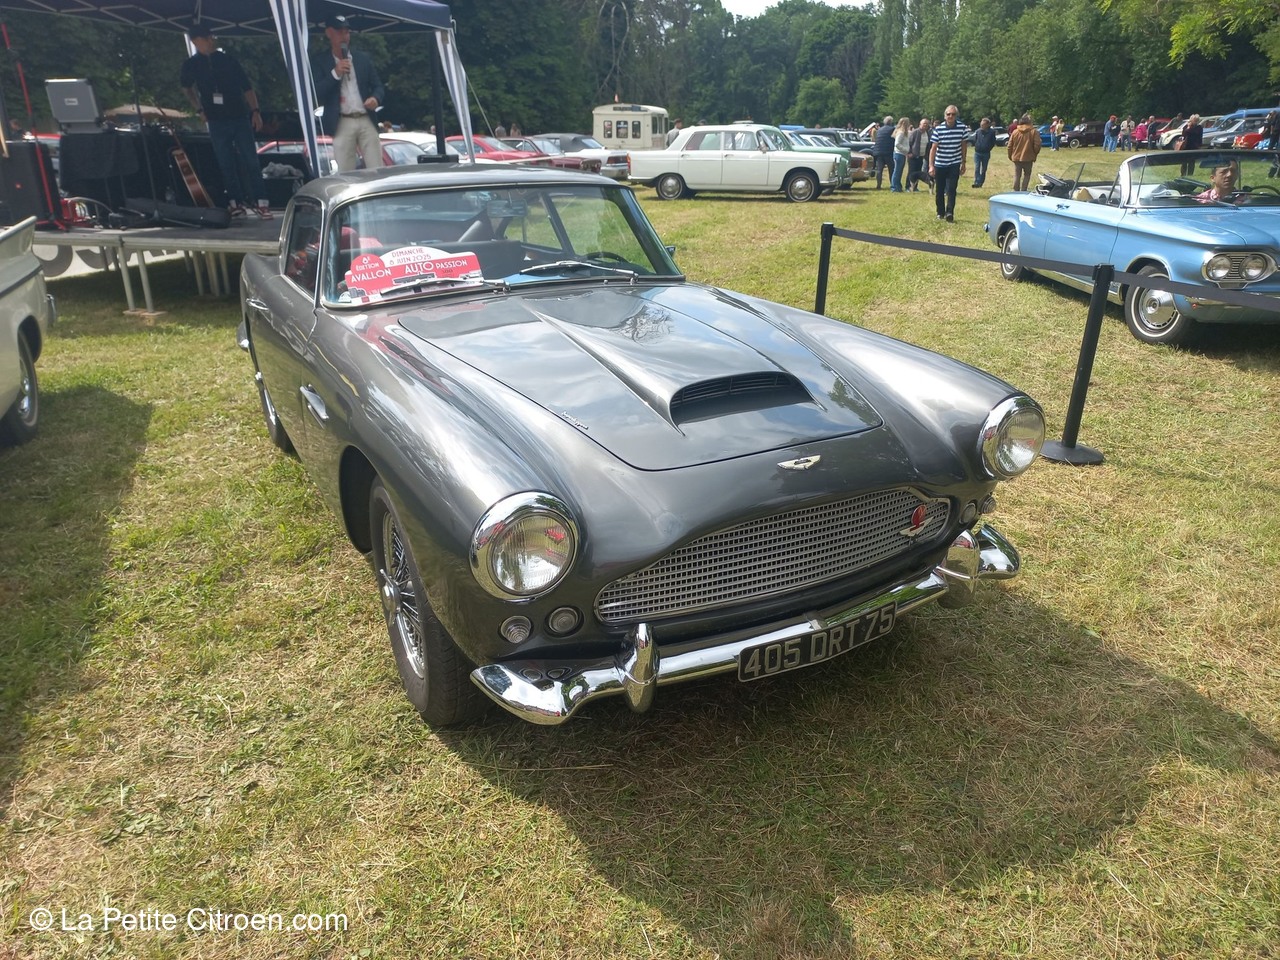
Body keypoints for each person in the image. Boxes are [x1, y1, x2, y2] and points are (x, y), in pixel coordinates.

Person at [180, 23, 272, 218]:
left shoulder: (228, 60)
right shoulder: (191, 65)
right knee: (225, 162)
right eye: (205, 38)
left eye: (210, 37)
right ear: (195, 41)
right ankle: (235, 202)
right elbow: (186, 87)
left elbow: (247, 87)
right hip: (216, 120)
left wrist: (255, 111)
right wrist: (199, 109)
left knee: (251, 160)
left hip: (239, 116)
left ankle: (261, 201)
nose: (210, 41)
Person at [311, 13, 386, 173]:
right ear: (329, 33)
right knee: (346, 172)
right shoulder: (320, 61)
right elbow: (316, 93)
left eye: (347, 32)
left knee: (377, 168)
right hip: (341, 121)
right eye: (339, 32)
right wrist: (335, 74)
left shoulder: (362, 59)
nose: (344, 36)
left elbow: (378, 86)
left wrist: (375, 98)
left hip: (365, 117)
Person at [928, 105, 968, 221]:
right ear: (945, 116)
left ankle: (949, 212)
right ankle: (940, 212)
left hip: (954, 163)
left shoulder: (962, 128)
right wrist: (931, 166)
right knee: (940, 190)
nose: (950, 116)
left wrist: (963, 162)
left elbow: (964, 146)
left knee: (952, 189)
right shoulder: (939, 129)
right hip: (940, 163)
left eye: (953, 114)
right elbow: (933, 149)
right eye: (948, 114)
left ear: (956, 116)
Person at [1006, 112, 1041, 191]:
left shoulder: (1015, 132)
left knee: (1017, 175)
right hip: (1029, 157)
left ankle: (1016, 191)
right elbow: (1037, 145)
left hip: (1016, 157)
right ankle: (1023, 190)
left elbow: (1009, 146)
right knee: (1027, 175)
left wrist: (1010, 156)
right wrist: (1035, 154)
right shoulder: (1034, 131)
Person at [906, 116, 931, 192]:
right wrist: (909, 153)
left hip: (921, 156)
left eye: (926, 124)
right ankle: (908, 187)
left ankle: (915, 187)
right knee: (911, 172)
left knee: (918, 172)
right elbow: (909, 143)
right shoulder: (915, 132)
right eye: (924, 123)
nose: (925, 125)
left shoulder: (927, 133)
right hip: (913, 156)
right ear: (920, 124)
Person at [971, 117, 996, 187]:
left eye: (983, 124)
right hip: (977, 153)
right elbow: (975, 140)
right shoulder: (978, 131)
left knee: (984, 169)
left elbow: (993, 142)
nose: (982, 126)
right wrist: (977, 146)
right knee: (977, 167)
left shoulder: (991, 132)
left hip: (986, 153)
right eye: (981, 124)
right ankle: (976, 182)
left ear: (987, 125)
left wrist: (988, 148)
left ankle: (981, 182)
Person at [873, 115, 895, 189]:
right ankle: (892, 184)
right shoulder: (892, 129)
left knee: (879, 169)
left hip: (878, 151)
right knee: (891, 169)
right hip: (888, 151)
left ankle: (878, 185)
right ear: (891, 122)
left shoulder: (880, 130)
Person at [890, 117, 911, 192]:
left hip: (901, 154)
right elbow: (897, 144)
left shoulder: (903, 132)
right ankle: (894, 187)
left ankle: (898, 186)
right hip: (899, 154)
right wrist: (906, 150)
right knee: (897, 171)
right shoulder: (901, 133)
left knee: (899, 171)